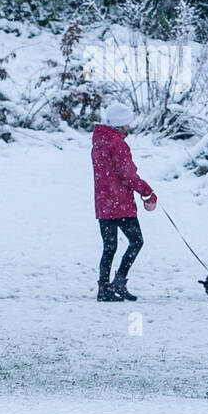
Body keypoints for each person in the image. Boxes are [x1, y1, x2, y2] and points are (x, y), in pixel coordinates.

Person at [91, 102, 156, 302]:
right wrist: (147, 192)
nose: (129, 127)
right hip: (121, 204)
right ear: (121, 124)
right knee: (136, 241)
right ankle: (118, 282)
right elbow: (128, 174)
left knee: (109, 247)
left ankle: (104, 288)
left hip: (104, 202)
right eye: (127, 124)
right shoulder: (117, 143)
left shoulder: (99, 141)